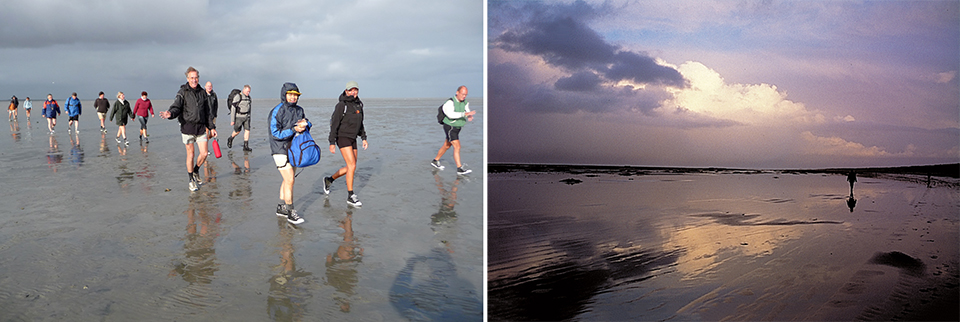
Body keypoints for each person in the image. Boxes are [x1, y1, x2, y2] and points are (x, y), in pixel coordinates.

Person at [159, 66, 218, 192]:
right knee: (190, 154)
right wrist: (170, 113)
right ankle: (191, 179)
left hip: (201, 127)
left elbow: (208, 112)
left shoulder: (202, 92)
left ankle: (196, 170)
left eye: (196, 77)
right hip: (187, 127)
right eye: (192, 78)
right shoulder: (183, 92)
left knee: (204, 153)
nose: (194, 80)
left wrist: (211, 127)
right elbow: (176, 106)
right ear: (187, 78)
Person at [322, 81, 368, 207]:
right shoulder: (341, 105)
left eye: (355, 90)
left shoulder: (359, 105)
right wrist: (331, 142)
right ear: (346, 91)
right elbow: (334, 124)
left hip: (353, 138)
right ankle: (350, 195)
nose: (353, 92)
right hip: (342, 137)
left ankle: (329, 179)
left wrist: (364, 138)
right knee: (352, 165)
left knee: (351, 167)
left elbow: (360, 123)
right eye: (351, 90)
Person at [269, 82, 309, 224]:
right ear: (284, 95)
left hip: (294, 149)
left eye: (295, 95)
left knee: (288, 179)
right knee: (290, 179)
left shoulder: (299, 110)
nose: (293, 97)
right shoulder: (277, 111)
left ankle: (281, 207)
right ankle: (291, 211)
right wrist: (293, 130)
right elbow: (275, 133)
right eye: (290, 94)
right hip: (279, 149)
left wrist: (306, 124)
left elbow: (306, 123)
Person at [430, 86, 476, 175]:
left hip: (458, 127)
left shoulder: (465, 102)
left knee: (447, 145)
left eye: (466, 95)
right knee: (457, 146)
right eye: (462, 94)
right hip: (450, 127)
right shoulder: (449, 103)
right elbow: (451, 115)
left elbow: (467, 109)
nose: (464, 96)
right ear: (457, 93)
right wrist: (465, 114)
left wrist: (469, 115)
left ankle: (435, 161)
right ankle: (459, 168)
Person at [228, 85, 253, 151]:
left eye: (249, 92)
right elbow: (233, 108)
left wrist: (249, 116)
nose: (248, 93)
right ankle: (231, 138)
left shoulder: (248, 98)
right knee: (237, 131)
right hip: (239, 117)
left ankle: (246, 146)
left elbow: (249, 108)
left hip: (247, 117)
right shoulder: (238, 96)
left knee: (247, 130)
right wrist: (232, 120)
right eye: (247, 91)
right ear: (244, 90)